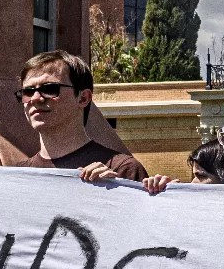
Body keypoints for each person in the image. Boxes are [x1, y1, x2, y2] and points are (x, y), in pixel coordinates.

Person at [13, 50, 149, 183]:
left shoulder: (122, 170)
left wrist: (111, 192)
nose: (35, 99)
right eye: (28, 92)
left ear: (83, 98)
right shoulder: (16, 178)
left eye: (49, 89)